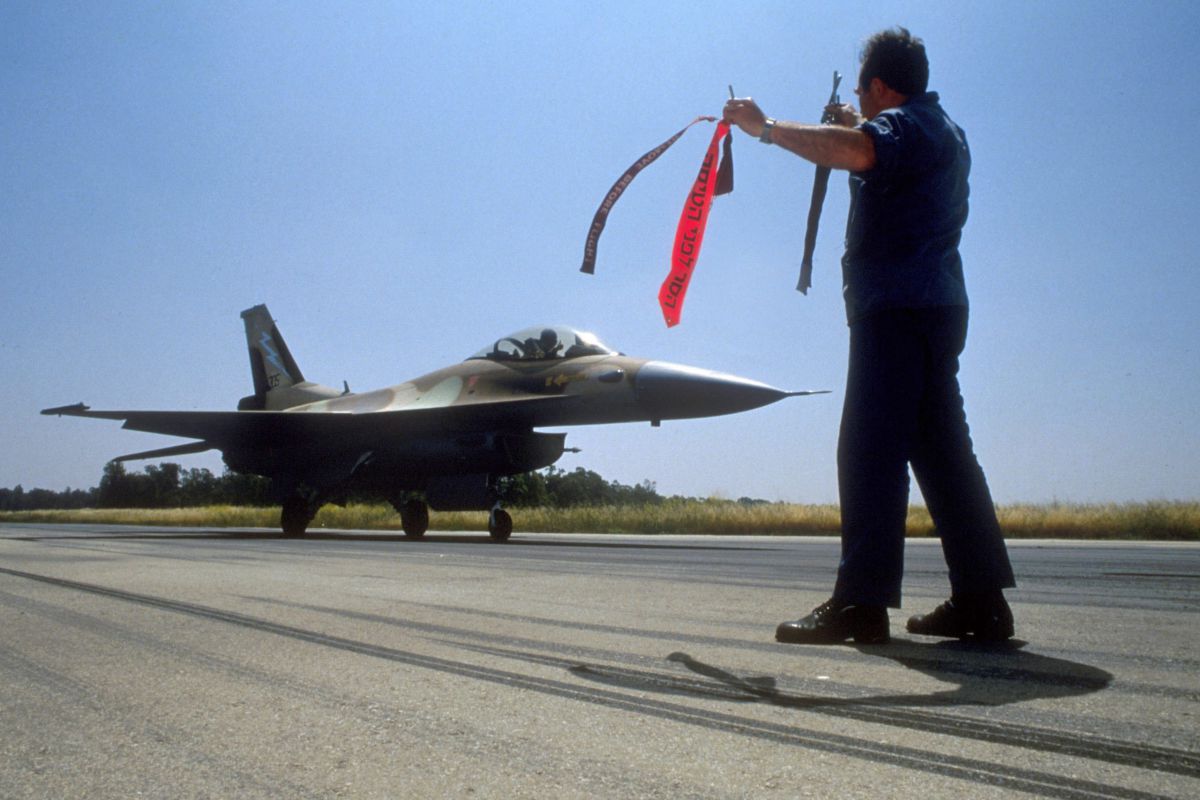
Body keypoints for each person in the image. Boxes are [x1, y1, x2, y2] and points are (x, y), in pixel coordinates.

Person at [723, 28, 1016, 645]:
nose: (860, 99)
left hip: (897, 308)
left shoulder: (903, 128)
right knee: (943, 454)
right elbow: (875, 146)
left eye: (864, 90)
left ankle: (860, 604)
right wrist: (859, 121)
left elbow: (860, 151)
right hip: (936, 306)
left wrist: (766, 128)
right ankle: (982, 601)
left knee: (868, 448)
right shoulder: (943, 130)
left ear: (882, 86)